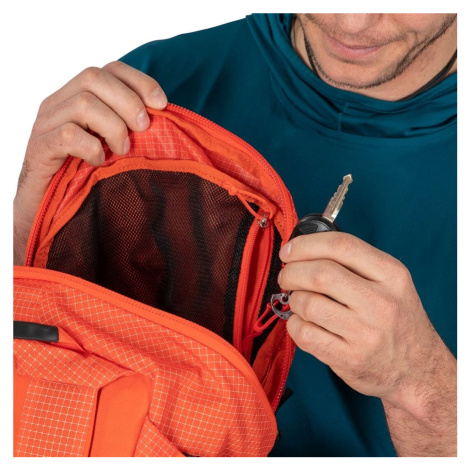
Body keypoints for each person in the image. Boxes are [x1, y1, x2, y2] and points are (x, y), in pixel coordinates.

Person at [13, 14, 457, 457]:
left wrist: (423, 384)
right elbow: (49, 376)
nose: (352, 22)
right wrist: (23, 234)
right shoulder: (149, 97)